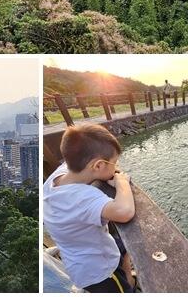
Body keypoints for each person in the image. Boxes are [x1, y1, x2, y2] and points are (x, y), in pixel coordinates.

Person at [43, 125, 137, 292]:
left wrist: (108, 167)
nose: (116, 167)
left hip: (79, 263)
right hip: (101, 272)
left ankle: (129, 276)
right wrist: (122, 181)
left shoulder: (57, 177)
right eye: (114, 162)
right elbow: (124, 212)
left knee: (122, 246)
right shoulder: (81, 198)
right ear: (99, 165)